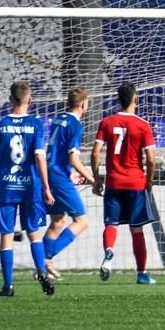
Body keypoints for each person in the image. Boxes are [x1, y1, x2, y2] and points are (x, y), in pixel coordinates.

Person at [0, 81, 56, 296]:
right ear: (30, 100)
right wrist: (47, 187)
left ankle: (8, 285)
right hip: (31, 186)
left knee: (6, 234)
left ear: (10, 100)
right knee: (33, 232)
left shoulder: (1, 124)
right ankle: (42, 271)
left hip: (7, 186)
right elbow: (39, 157)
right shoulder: (37, 124)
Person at [91, 82, 157, 285]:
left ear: (119, 99)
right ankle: (142, 274)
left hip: (113, 183)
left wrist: (97, 179)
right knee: (137, 229)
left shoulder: (107, 122)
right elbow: (151, 159)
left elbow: (95, 153)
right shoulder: (143, 125)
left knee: (111, 223)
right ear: (135, 99)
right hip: (135, 184)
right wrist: (149, 181)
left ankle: (109, 252)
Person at [41, 88, 96, 279]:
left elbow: (57, 151)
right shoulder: (75, 124)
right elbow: (73, 158)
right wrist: (92, 179)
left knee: (58, 221)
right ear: (83, 104)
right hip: (57, 177)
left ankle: (45, 264)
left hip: (50, 174)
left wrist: (68, 174)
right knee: (82, 221)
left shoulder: (58, 119)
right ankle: (43, 260)